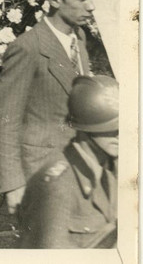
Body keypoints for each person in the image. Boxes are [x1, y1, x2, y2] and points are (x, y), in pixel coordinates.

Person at [0, 0, 94, 215]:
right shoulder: (28, 47)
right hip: (40, 170)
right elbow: (3, 120)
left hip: (77, 165)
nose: (91, 6)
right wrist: (13, 185)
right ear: (54, 0)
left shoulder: (79, 38)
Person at [18, 75, 118, 248]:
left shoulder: (109, 172)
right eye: (111, 128)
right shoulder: (57, 186)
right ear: (86, 127)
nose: (120, 134)